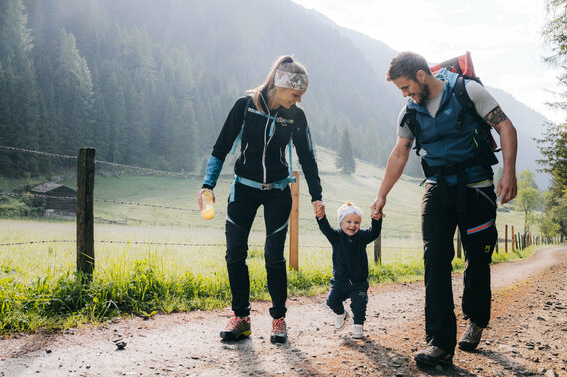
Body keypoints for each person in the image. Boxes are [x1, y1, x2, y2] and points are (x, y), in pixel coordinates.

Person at [370, 51, 518, 367]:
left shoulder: (467, 91)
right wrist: (382, 196)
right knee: (434, 261)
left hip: (477, 190)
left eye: (406, 87)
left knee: (478, 259)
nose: (405, 95)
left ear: (422, 76)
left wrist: (508, 172)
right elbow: (399, 154)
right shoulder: (409, 112)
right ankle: (439, 343)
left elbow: (505, 126)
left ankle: (476, 319)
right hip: (437, 190)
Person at [198, 55, 325, 344]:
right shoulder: (244, 106)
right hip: (243, 189)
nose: (299, 100)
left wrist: (317, 196)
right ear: (280, 86)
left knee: (273, 257)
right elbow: (221, 146)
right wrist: (208, 185)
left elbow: (308, 158)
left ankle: (278, 319)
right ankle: (241, 318)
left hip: (279, 192)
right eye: (296, 94)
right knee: (234, 253)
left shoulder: (296, 116)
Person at [316, 202, 382, 339]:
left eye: (357, 222)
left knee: (359, 304)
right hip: (340, 281)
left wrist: (376, 220)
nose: (353, 225)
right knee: (331, 301)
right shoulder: (336, 237)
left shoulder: (362, 237)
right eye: (349, 221)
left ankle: (358, 327)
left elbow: (374, 232)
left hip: (359, 282)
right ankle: (341, 314)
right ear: (341, 222)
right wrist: (321, 217)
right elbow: (325, 228)